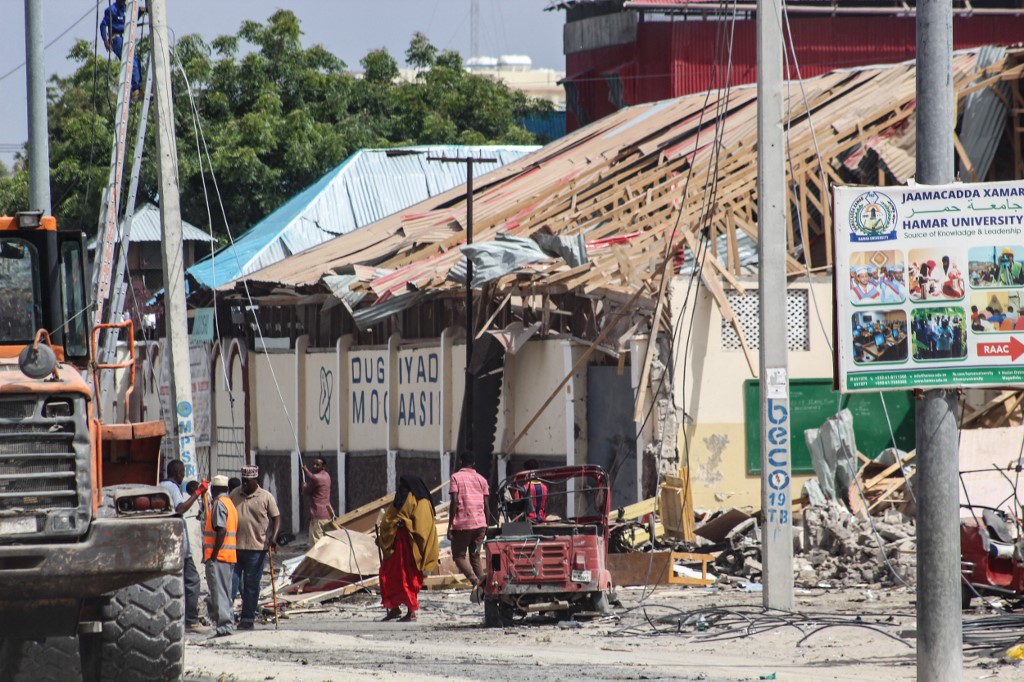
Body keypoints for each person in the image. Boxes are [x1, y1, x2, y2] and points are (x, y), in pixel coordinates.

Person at [376, 474, 439, 622]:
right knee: (390, 575)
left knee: (406, 577)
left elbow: (419, 525)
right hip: (398, 546)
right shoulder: (412, 499)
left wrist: (404, 525)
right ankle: (394, 608)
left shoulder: (414, 499)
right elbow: (392, 519)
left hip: (407, 547)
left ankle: (411, 611)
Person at [229, 465, 281, 631]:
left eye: (247, 481)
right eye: (243, 480)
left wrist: (273, 538)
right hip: (235, 547)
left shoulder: (266, 497)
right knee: (232, 583)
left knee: (251, 584)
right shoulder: (234, 494)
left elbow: (276, 518)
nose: (244, 484)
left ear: (255, 480)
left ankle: (247, 619)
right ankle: (226, 617)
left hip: (256, 548)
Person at [160, 460, 209, 634]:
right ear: (179, 473)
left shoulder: (160, 485)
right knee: (193, 580)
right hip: (180, 545)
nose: (182, 476)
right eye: (182, 473)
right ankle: (191, 620)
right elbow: (180, 508)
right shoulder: (173, 488)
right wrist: (198, 492)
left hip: (167, 544)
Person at [447, 451, 490, 586]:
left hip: (463, 525)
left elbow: (454, 501)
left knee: (459, 556)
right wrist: (486, 525)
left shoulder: (456, 478)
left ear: (461, 462)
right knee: (475, 556)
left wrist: (450, 525)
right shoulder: (482, 480)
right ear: (474, 463)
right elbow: (486, 504)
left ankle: (474, 580)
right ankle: (483, 582)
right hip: (480, 524)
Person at [202, 475, 237, 638]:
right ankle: (228, 622)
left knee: (219, 593)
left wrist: (214, 554)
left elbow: (220, 530)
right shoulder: (230, 504)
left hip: (219, 556)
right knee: (225, 592)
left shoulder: (218, 504)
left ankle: (224, 626)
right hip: (229, 555)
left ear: (214, 489)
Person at [99, 0, 143, 98]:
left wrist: (141, 12)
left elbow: (133, 18)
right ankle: (135, 89)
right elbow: (103, 25)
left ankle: (137, 87)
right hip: (117, 38)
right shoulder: (112, 10)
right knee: (130, 60)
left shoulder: (127, 8)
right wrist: (105, 40)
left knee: (136, 60)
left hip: (126, 37)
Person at [302, 457, 334, 548]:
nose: (314, 466)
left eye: (317, 465)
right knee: (325, 544)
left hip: (318, 516)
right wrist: (306, 471)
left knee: (316, 545)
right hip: (327, 515)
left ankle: (318, 562)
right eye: (314, 464)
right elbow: (314, 478)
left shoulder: (316, 478)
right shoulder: (327, 476)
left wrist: (304, 486)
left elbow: (305, 492)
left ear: (323, 466)